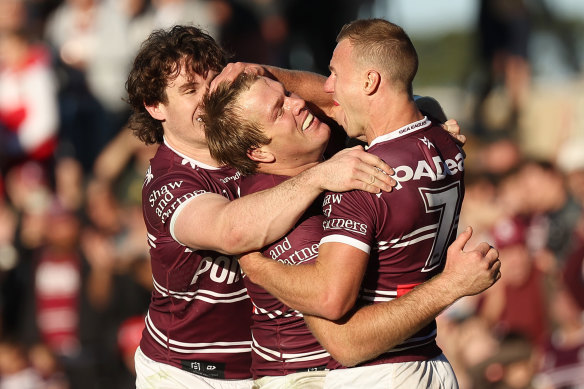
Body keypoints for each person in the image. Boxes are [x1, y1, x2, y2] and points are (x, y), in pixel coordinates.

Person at [202, 19, 500, 387]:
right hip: (322, 375)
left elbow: (345, 334)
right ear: (258, 151)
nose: (311, 97)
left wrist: (254, 266)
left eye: (288, 94)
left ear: (370, 81)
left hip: (384, 371)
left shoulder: (357, 175)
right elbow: (341, 328)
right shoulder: (441, 142)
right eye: (279, 109)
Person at [125, 24, 395, 389]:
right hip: (187, 373)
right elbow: (231, 230)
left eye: (212, 80)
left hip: (263, 369)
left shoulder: (264, 135)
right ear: (154, 106)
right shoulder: (169, 180)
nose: (208, 98)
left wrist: (269, 74)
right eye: (189, 90)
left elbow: (343, 100)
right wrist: (319, 176)